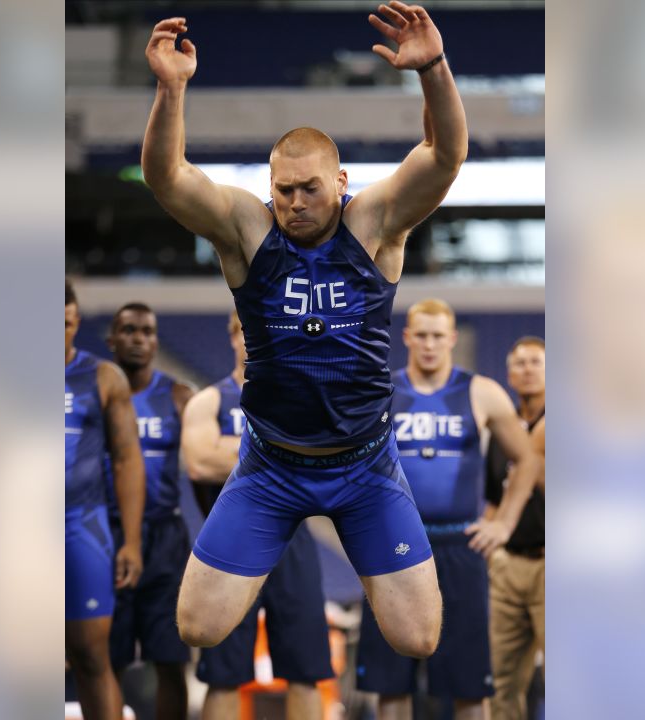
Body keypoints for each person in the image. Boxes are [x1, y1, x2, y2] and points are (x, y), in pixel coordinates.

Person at [141, 0, 469, 658]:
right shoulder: (247, 227)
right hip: (271, 466)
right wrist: (171, 89)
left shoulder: (374, 224)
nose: (294, 202)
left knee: (419, 638)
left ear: (341, 181)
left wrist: (433, 68)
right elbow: (167, 178)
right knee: (197, 628)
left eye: (309, 189)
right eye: (283, 189)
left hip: (364, 465)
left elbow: (442, 156)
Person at [356, 300, 541, 720]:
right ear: (406, 337)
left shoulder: (481, 392)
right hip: (394, 548)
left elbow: (528, 459)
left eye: (438, 335)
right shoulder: (381, 392)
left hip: (460, 546)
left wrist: (505, 523)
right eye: (421, 334)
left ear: (452, 339)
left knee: (468, 684)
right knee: (391, 682)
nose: (429, 344)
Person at [181, 311, 335, 720]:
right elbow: (198, 463)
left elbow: (315, 463)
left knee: (306, 671)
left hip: (292, 543)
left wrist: (228, 450)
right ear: (233, 337)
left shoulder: (298, 401)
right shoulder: (209, 401)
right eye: (247, 333)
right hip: (231, 543)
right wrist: (276, 450)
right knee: (224, 673)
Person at [103, 302, 196, 720]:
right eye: (128, 330)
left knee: (170, 659)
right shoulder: (94, 395)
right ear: (112, 340)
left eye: (146, 331)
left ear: (156, 340)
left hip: (164, 538)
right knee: (106, 659)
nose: (138, 339)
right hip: (106, 533)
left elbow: (205, 469)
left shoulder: (178, 396)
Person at [65, 282, 145, 720]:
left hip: (82, 525)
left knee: (91, 655)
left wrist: (130, 541)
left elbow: (127, 459)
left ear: (76, 321)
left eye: (67, 324)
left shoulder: (101, 377)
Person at [484, 336, 546, 720]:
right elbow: (493, 499)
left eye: (536, 362)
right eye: (519, 363)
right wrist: (492, 555)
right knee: (501, 683)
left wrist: (532, 459)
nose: (527, 369)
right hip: (508, 567)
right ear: (508, 374)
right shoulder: (500, 432)